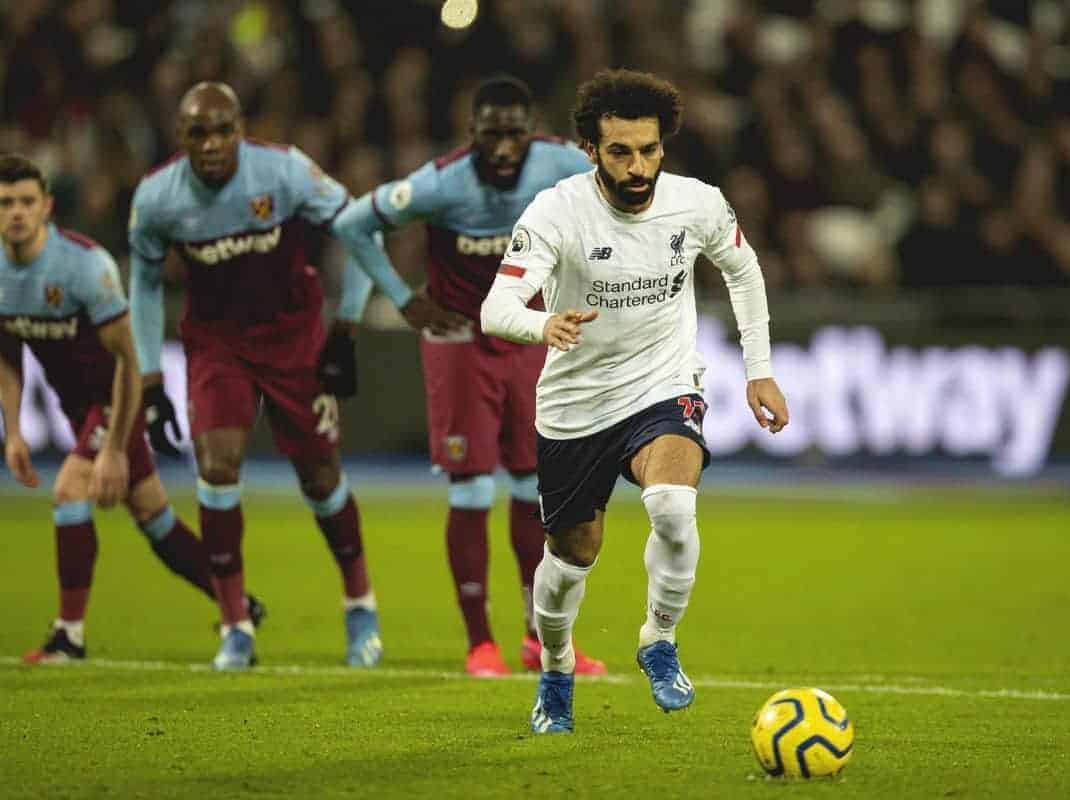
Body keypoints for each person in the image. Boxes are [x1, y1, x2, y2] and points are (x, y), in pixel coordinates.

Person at [480, 69, 789, 733]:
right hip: (576, 403)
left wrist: (758, 370)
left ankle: (658, 639)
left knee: (674, 507)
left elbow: (743, 268)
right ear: (590, 150)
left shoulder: (697, 204)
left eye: (649, 150)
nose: (638, 165)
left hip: (663, 381)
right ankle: (556, 669)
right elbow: (495, 307)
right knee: (570, 558)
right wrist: (543, 326)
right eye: (620, 152)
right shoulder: (556, 212)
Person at [127, 82, 416, 670]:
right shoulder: (158, 198)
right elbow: (144, 284)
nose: (211, 144)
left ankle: (360, 603)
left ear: (241, 128)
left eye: (222, 130)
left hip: (294, 339)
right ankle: (235, 625)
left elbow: (360, 227)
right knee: (216, 466)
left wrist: (345, 329)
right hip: (216, 346)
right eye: (197, 133)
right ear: (179, 137)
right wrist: (151, 381)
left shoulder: (284, 173)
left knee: (319, 476)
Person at [333, 76, 605, 676]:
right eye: (492, 134)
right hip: (460, 344)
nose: (504, 147)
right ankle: (480, 642)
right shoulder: (441, 183)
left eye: (514, 133)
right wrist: (404, 300)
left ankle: (541, 640)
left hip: (530, 340)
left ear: (531, 131)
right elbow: (353, 223)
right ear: (473, 134)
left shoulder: (561, 163)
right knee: (472, 489)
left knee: (537, 489)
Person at [0, 154, 264, 663]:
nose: (16, 212)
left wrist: (116, 445)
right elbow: (7, 358)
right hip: (78, 409)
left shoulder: (83, 267)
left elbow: (129, 359)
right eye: (6, 202)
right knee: (155, 518)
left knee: (70, 489)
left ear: (47, 207)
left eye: (27, 201)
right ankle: (238, 607)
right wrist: (13, 432)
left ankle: (68, 636)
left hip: (115, 399)